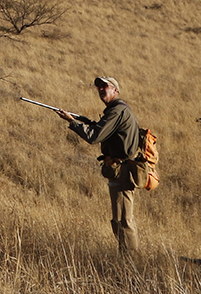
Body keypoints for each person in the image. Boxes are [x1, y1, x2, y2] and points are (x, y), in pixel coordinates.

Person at [57, 76, 143, 254]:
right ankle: (126, 258)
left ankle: (131, 264)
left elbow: (93, 137)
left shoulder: (116, 111)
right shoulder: (116, 110)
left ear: (115, 91)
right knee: (120, 219)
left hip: (122, 170)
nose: (101, 89)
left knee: (123, 221)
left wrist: (72, 122)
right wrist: (86, 122)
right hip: (120, 169)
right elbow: (103, 132)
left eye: (106, 86)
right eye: (99, 87)